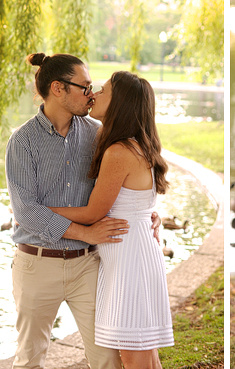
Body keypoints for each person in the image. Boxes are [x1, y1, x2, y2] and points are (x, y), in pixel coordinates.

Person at [5, 53, 131, 369]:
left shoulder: (97, 134)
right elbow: (26, 211)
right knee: (29, 360)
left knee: (107, 358)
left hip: (87, 265)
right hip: (36, 265)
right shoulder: (22, 141)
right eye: (85, 87)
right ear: (58, 89)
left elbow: (115, 186)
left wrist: (144, 215)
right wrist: (85, 231)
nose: (91, 94)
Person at [49, 70, 174, 369]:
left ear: (120, 103)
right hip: (132, 256)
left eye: (103, 90)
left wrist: (40, 210)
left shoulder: (120, 151)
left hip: (130, 262)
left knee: (135, 357)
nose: (94, 94)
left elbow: (94, 213)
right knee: (144, 356)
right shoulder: (135, 145)